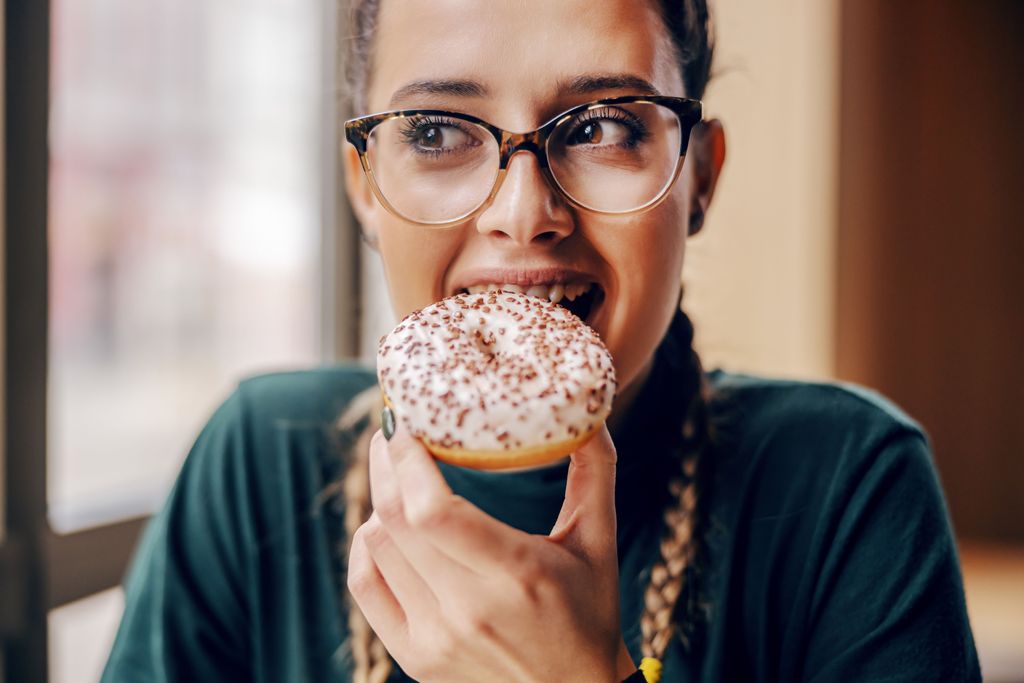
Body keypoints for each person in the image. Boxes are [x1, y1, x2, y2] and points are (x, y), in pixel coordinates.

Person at [101, 0, 982, 681]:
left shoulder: (849, 486)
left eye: (602, 125)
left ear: (699, 177)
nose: (524, 214)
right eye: (437, 131)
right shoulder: (258, 462)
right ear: (365, 187)